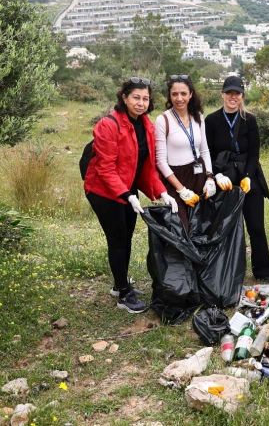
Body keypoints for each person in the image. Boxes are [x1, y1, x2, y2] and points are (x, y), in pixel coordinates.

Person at [84, 77, 178, 314]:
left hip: (127, 190)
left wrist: (162, 192)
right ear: (124, 98)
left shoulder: (145, 124)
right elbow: (105, 168)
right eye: (136, 97)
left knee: (126, 237)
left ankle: (120, 284)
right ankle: (123, 294)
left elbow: (146, 167)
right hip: (103, 191)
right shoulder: (109, 125)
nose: (141, 103)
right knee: (117, 239)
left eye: (145, 98)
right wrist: (126, 194)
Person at [205, 76, 269, 281]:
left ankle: (263, 271)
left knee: (256, 226)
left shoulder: (249, 120)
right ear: (223, 94)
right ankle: (226, 273)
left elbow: (254, 153)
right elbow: (207, 151)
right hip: (223, 176)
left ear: (242, 95)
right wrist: (216, 175)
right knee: (225, 228)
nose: (233, 97)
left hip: (248, 174)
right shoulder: (211, 120)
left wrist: (248, 177)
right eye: (229, 93)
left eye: (237, 93)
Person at [155, 75, 217, 231]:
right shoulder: (163, 120)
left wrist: (210, 177)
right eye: (174, 94)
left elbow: (204, 150)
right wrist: (180, 189)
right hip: (175, 178)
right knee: (181, 229)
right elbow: (160, 161)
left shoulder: (198, 117)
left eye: (183, 93)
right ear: (169, 96)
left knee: (202, 227)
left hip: (198, 175)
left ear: (190, 94)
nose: (179, 98)